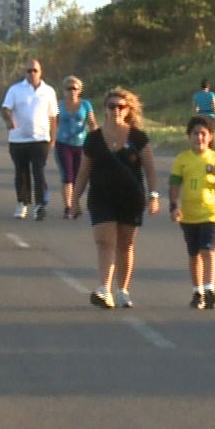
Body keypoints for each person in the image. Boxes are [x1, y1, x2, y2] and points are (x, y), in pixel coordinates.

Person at [83, 87, 159, 308]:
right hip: (101, 196)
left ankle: (122, 290)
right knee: (104, 242)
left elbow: (150, 169)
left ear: (127, 110)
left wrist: (154, 196)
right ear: (105, 109)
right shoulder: (94, 138)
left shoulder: (138, 138)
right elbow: (84, 171)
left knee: (125, 245)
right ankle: (104, 289)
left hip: (130, 198)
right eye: (112, 106)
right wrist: (73, 200)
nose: (116, 110)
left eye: (121, 106)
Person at [169, 115, 215, 309]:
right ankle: (197, 291)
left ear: (211, 137)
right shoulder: (182, 159)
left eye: (203, 134)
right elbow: (174, 184)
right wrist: (173, 206)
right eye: (195, 133)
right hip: (189, 214)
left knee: (209, 250)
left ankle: (209, 288)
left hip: (211, 214)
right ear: (189, 136)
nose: (200, 137)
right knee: (194, 254)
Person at [1, 59, 60, 220]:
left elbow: (53, 117)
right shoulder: (15, 89)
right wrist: (9, 120)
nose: (32, 73)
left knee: (38, 171)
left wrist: (53, 139)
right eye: (29, 71)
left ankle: (40, 205)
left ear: (40, 72)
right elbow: (6, 108)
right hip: (18, 140)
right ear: (25, 73)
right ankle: (22, 203)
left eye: (35, 70)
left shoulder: (48, 91)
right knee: (21, 172)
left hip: (40, 139)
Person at [53, 76, 95, 219]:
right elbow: (53, 124)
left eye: (74, 88)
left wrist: (97, 136)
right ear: (63, 91)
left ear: (80, 90)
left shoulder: (86, 105)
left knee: (79, 178)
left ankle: (75, 203)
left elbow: (92, 123)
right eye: (68, 88)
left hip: (81, 146)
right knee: (67, 177)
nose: (71, 91)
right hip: (63, 144)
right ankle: (68, 207)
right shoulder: (58, 105)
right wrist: (50, 139)